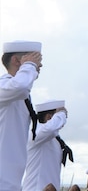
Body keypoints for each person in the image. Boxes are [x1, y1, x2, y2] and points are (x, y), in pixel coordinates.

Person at [0, 40, 43, 191]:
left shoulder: (18, 94)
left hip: (11, 181)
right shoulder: (4, 85)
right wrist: (29, 66)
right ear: (17, 61)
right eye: (35, 60)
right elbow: (20, 86)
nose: (39, 66)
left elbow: (22, 88)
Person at [22, 99, 72, 191]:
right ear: (49, 117)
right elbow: (51, 129)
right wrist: (62, 114)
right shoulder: (35, 134)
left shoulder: (54, 138)